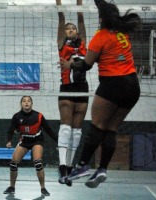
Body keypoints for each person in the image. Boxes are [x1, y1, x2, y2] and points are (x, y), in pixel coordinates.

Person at [59, 0, 141, 188]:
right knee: (111, 128)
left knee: (97, 126)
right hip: (133, 86)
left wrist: (70, 64)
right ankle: (102, 169)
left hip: (113, 84)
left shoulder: (101, 35)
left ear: (102, 18)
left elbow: (86, 65)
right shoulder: (122, 34)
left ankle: (81, 166)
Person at [56, 0, 89, 187]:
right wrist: (59, 2)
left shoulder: (83, 42)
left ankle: (69, 169)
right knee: (66, 128)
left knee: (77, 132)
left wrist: (79, 4)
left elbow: (81, 19)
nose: (70, 29)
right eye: (67, 28)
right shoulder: (62, 43)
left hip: (83, 89)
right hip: (67, 88)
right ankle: (61, 167)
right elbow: (61, 17)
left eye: (72, 28)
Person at [3, 96, 58, 196]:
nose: (26, 103)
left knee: (38, 163)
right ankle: (12, 187)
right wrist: (9, 141)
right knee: (13, 163)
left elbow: (49, 130)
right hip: (24, 141)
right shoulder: (17, 116)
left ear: (32, 104)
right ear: (21, 104)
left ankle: (43, 188)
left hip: (37, 140)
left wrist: (58, 142)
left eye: (28, 101)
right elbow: (10, 130)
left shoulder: (39, 116)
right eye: (24, 101)